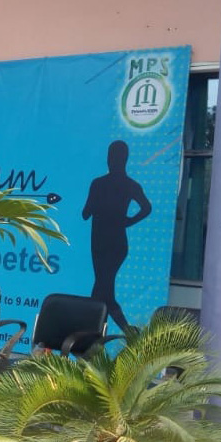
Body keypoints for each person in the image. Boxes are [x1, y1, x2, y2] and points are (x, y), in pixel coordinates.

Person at [81, 139, 151, 331]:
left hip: (110, 244)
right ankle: (103, 335)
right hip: (102, 244)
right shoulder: (126, 185)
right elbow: (146, 208)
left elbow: (86, 213)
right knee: (104, 292)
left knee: (102, 291)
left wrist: (128, 221)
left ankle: (118, 332)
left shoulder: (101, 184)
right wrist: (127, 220)